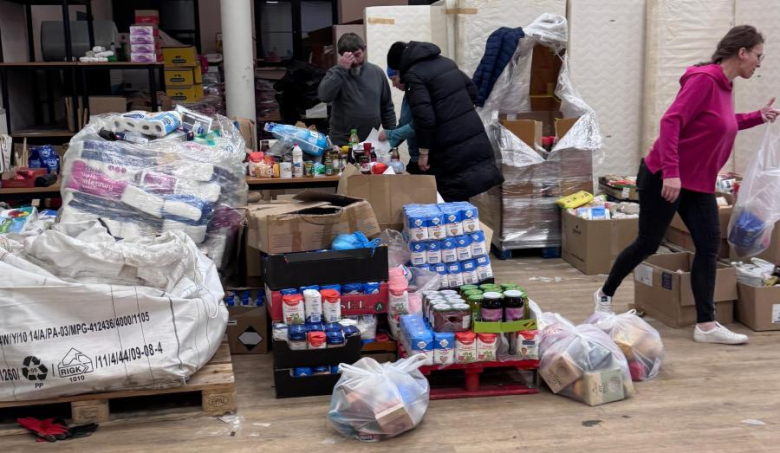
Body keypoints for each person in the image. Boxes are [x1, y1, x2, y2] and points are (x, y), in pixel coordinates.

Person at [593, 25, 778, 345]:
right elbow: (671, 122)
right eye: (758, 56)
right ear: (742, 52)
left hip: (698, 184)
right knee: (648, 243)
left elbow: (722, 124)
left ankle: (706, 325)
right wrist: (672, 173)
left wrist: (759, 116)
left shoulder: (725, 85)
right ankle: (604, 295)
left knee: (707, 246)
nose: (760, 64)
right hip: (665, 176)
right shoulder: (705, 80)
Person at [386, 41, 503, 201]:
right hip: (470, 138)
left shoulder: (414, 75)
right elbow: (473, 93)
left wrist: (423, 153)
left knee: (447, 202)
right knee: (461, 202)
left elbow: (425, 119)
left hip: (448, 147)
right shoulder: (446, 63)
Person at [317, 33, 396, 146]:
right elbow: (324, 96)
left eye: (357, 55)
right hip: (342, 142)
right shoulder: (336, 72)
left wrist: (391, 132)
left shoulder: (377, 72)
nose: (354, 61)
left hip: (371, 141)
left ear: (364, 49)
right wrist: (341, 69)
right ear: (341, 55)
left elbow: (386, 106)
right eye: (349, 57)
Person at [378, 68, 422, 173]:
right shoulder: (408, 94)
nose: (393, 85)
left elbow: (417, 125)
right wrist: (384, 148)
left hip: (425, 158)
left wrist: (390, 134)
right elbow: (403, 124)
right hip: (415, 157)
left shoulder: (418, 94)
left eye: (394, 79)